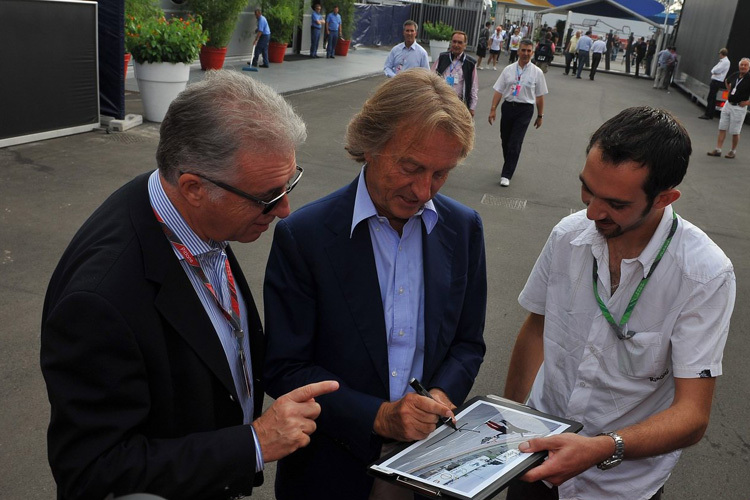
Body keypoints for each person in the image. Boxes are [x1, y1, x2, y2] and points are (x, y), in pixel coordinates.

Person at [40, 71, 340, 500]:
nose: (286, 210)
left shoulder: (186, 210)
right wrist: (252, 443)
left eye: (288, 185)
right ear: (194, 188)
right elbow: (93, 472)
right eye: (268, 197)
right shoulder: (100, 301)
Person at [263, 69, 487, 500]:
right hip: (331, 467)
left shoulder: (463, 229)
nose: (424, 190)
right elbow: (285, 367)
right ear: (370, 144)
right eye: (411, 167)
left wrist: (438, 396)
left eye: (441, 174)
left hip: (428, 462)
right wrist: (379, 416)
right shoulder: (305, 235)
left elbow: (467, 343)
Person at [504, 106, 736, 500]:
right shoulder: (566, 236)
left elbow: (692, 416)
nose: (592, 211)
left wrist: (602, 447)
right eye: (587, 189)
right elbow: (537, 329)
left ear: (665, 197)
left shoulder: (704, 274)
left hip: (619, 487)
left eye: (615, 203)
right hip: (535, 462)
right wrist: (508, 424)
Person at [488, 39, 548, 187]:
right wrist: (493, 109)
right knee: (506, 139)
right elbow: (499, 90)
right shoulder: (508, 70)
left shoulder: (537, 72)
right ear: (518, 51)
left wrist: (540, 116)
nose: (526, 54)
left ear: (532, 53)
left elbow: (540, 96)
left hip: (525, 110)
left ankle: (506, 173)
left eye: (529, 51)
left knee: (515, 142)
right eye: (523, 50)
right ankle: (509, 162)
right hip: (508, 107)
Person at [708, 57, 750, 159]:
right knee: (722, 127)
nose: (743, 67)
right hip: (728, 105)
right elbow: (727, 81)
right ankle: (718, 149)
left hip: (739, 107)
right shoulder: (735, 74)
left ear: (749, 67)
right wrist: (730, 91)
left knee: (735, 131)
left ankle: (732, 151)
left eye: (745, 65)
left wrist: (748, 102)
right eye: (741, 65)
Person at [432, 31, 479, 116]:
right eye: (454, 41)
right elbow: (431, 77)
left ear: (465, 45)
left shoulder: (470, 63)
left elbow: (474, 87)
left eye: (460, 42)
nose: (456, 45)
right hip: (440, 102)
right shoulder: (442, 57)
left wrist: (472, 107)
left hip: (459, 104)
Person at [699, 48, 731, 119]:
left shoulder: (724, 62)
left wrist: (713, 71)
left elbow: (716, 70)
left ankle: (707, 114)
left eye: (719, 54)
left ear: (721, 54)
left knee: (710, 98)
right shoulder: (723, 61)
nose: (719, 55)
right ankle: (710, 114)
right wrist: (713, 70)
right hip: (717, 81)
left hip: (716, 81)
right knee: (713, 98)